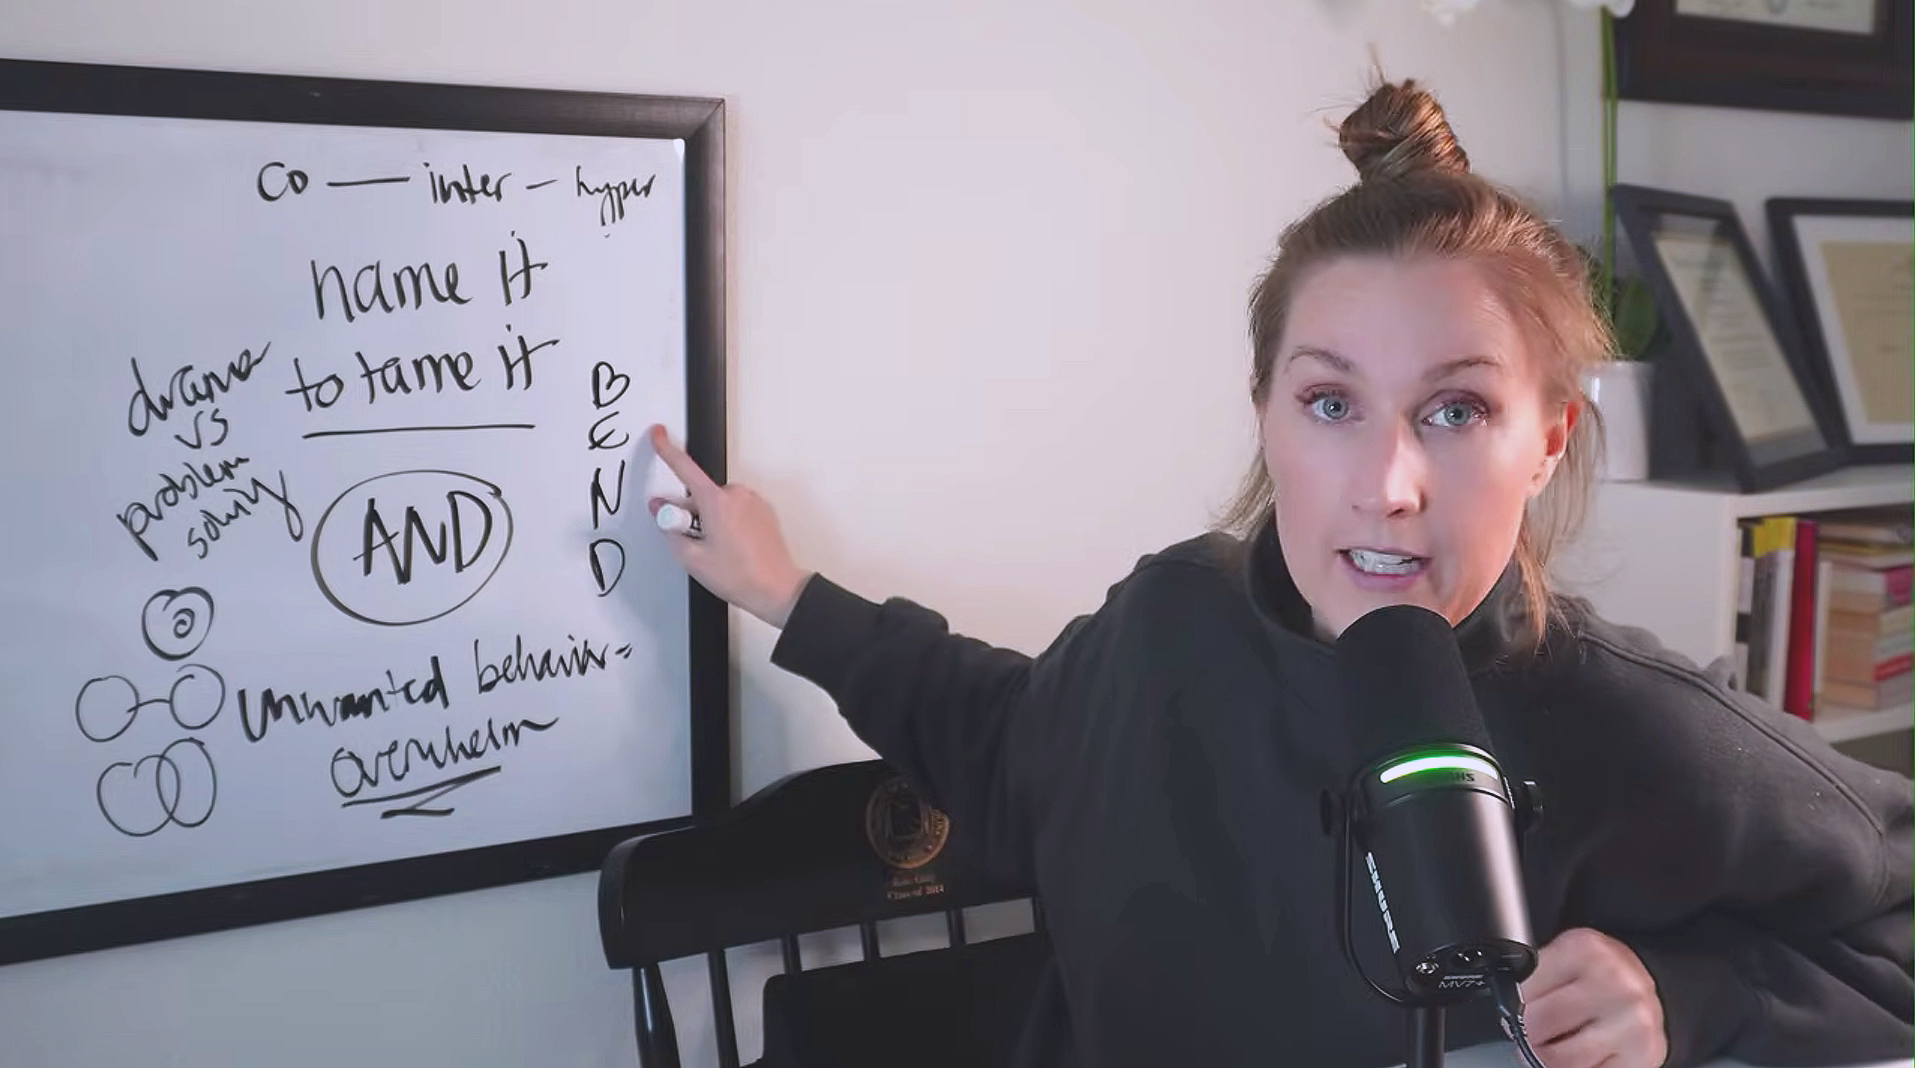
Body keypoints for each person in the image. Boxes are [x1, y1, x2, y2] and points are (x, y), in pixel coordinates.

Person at [645, 77, 1914, 1068]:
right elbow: (1007, 739)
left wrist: (1689, 995)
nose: (1390, 482)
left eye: (1457, 411)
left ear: (1549, 441)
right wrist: (787, 595)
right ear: (1264, 412)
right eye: (1329, 403)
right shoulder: (1168, 621)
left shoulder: (1634, 730)